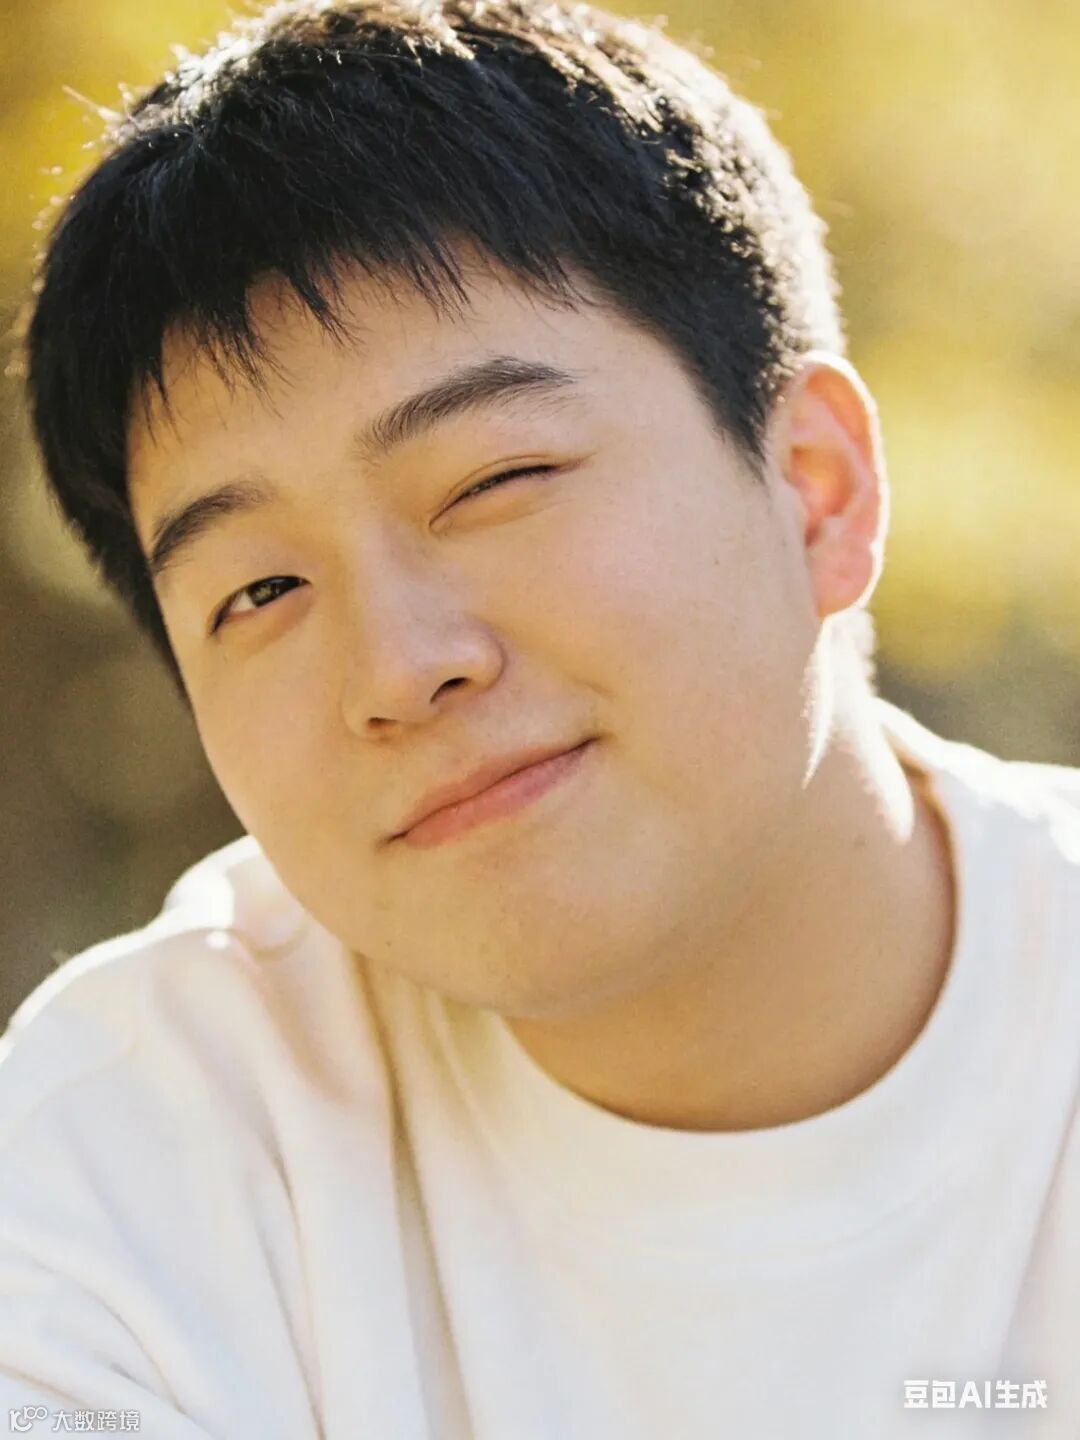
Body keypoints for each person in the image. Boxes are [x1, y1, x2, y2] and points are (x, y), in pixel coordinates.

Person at [2, 0, 1077, 1434]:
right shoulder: (132, 1152)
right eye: (260, 590)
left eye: (493, 482)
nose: (400, 668)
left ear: (815, 488)